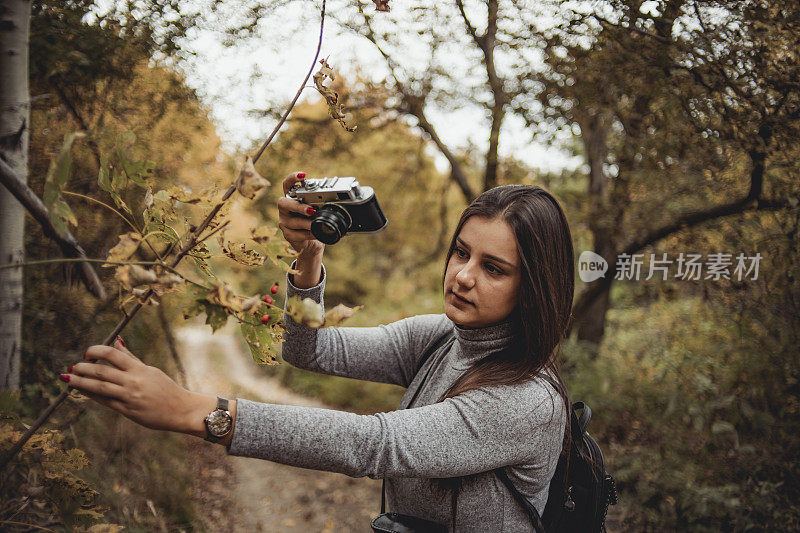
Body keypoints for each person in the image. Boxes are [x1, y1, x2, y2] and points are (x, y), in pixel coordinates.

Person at [62, 173, 576, 532]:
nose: (462, 275)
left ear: (535, 286)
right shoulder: (441, 337)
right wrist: (308, 260)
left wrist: (195, 411)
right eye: (462, 253)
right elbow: (309, 349)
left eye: (493, 268)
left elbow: (373, 444)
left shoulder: (526, 399)